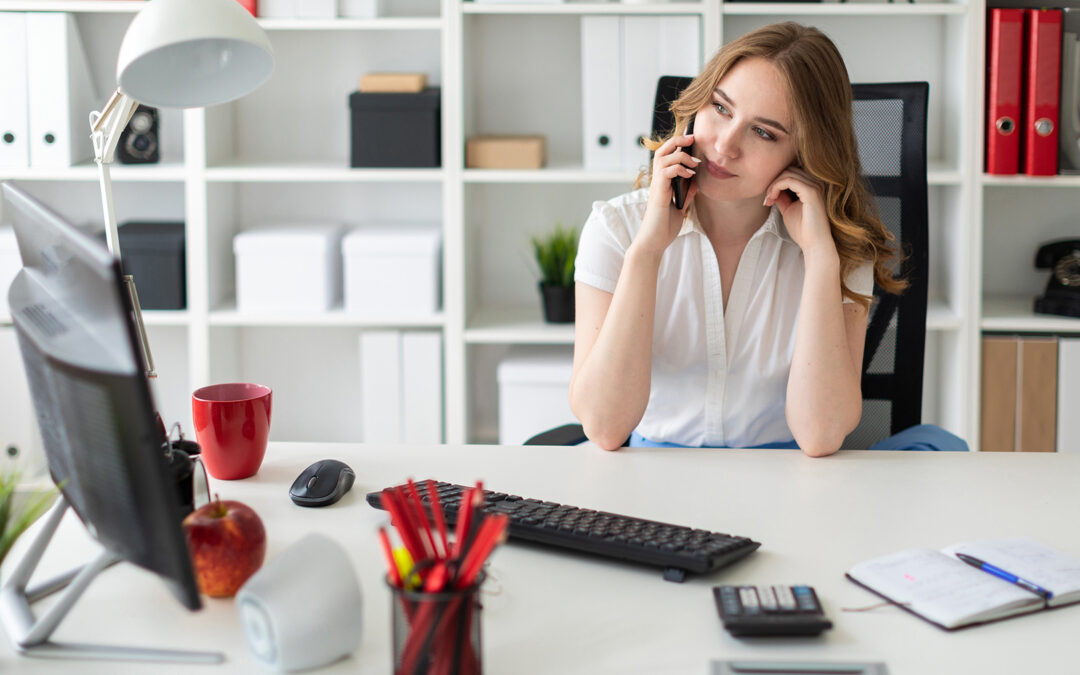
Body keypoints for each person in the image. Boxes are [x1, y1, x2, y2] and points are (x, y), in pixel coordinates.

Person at [569, 22, 965, 456]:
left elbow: (820, 435)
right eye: (720, 108)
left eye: (764, 132)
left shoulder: (836, 247)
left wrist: (819, 258)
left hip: (784, 486)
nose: (724, 145)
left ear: (805, 153)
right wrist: (647, 251)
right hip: (656, 483)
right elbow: (605, 428)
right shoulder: (616, 228)